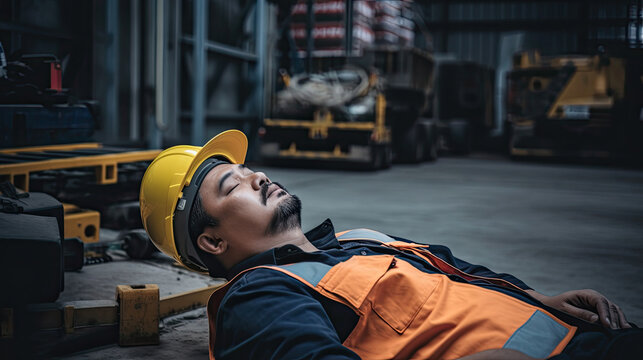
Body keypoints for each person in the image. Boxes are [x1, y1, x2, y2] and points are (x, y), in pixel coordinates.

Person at [140, 130, 641, 360]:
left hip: (592, 336)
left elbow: (461, 274)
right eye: (235, 186)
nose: (259, 176)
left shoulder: (361, 240)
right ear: (212, 239)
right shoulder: (260, 297)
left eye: (250, 171)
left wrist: (540, 300)